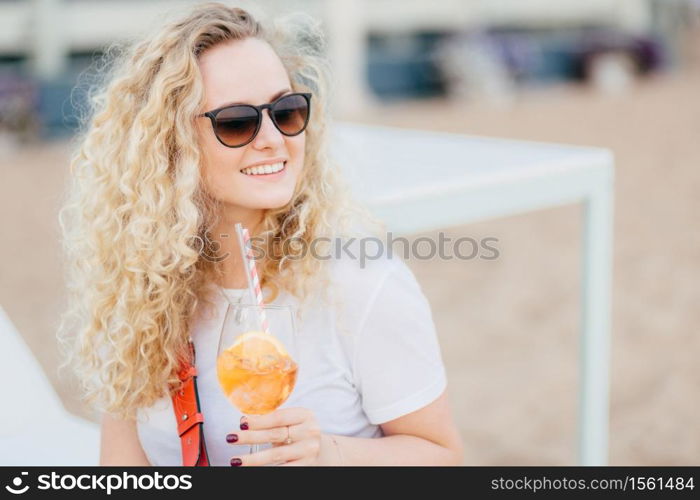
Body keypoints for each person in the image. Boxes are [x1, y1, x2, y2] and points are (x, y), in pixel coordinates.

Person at [58, 2, 463, 466]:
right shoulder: (138, 284)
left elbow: (442, 455)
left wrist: (328, 453)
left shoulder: (359, 279)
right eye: (237, 121)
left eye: (286, 111)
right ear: (170, 146)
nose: (272, 137)